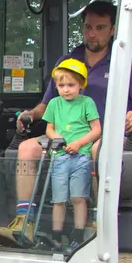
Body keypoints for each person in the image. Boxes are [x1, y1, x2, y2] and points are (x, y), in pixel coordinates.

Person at [0, 0, 132, 246]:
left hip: (103, 135)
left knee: (96, 150)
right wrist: (31, 115)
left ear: (112, 30)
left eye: (101, 27)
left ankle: (97, 222)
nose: (93, 33)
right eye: (89, 27)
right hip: (62, 134)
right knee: (26, 148)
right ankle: (24, 222)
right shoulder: (67, 61)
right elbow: (45, 106)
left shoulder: (126, 62)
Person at [41, 59, 102, 249]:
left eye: (71, 85)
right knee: (58, 199)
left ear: (81, 85)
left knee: (78, 197)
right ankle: (56, 236)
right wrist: (57, 138)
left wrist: (78, 143)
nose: (66, 89)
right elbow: (49, 128)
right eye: (61, 85)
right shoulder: (53, 104)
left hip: (81, 156)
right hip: (59, 156)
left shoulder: (87, 103)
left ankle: (78, 235)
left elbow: (96, 129)